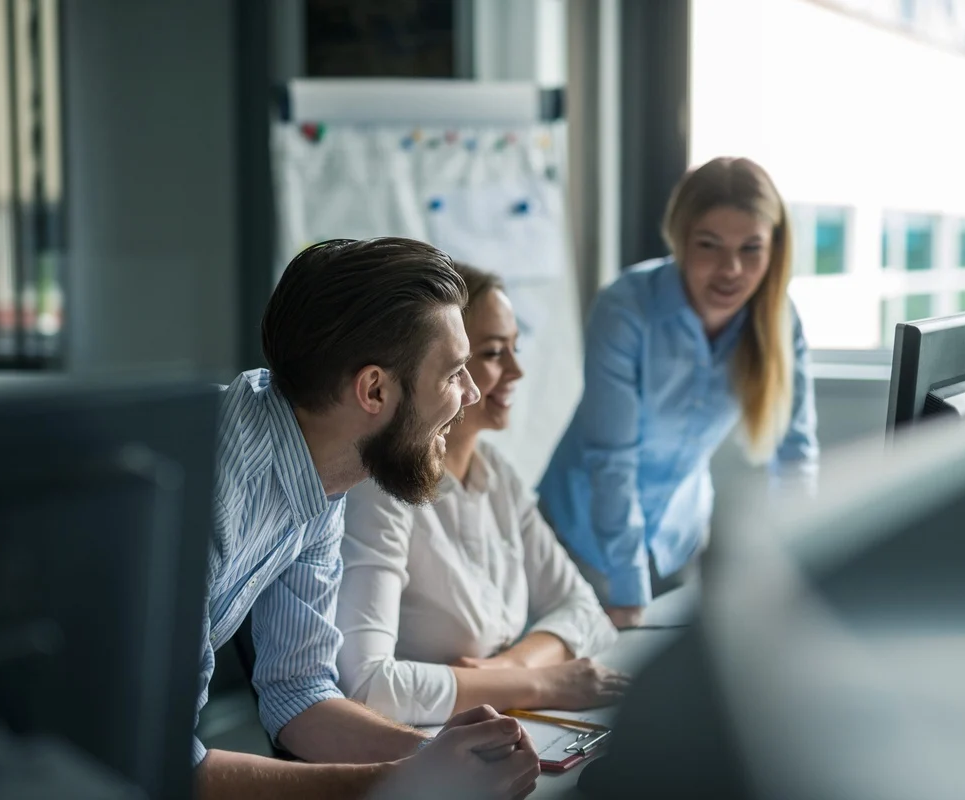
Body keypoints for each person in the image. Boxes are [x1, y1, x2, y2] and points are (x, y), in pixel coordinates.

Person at [197, 238, 541, 799]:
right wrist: (407, 780)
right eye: (454, 372)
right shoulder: (211, 487)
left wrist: (436, 755)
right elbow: (168, 765)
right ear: (374, 389)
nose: (473, 391)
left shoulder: (324, 472)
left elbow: (299, 693)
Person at [335, 263, 626, 727]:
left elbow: (584, 610)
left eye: (515, 347)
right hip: (419, 745)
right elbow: (369, 689)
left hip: (499, 719)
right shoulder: (381, 489)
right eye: (493, 353)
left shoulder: (497, 476)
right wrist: (541, 682)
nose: (516, 370)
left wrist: (506, 670)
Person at [538, 156, 819, 628]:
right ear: (680, 239)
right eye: (710, 245)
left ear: (774, 250)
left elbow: (795, 455)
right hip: (580, 538)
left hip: (678, 539)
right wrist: (629, 592)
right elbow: (613, 459)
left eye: (752, 249)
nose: (731, 269)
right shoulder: (626, 307)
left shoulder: (779, 320)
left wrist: (802, 568)